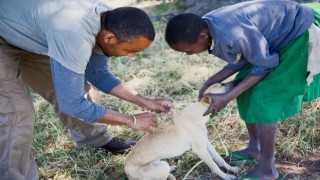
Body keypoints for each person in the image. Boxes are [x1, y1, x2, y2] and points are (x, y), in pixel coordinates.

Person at [0, 0, 173, 179]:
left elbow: (98, 74)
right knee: (16, 113)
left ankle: (95, 140)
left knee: (75, 86)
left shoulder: (106, 19)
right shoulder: (74, 34)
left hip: (28, 33)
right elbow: (73, 104)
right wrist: (131, 120)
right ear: (110, 38)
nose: (131, 56)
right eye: (130, 50)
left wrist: (145, 101)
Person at [165, 0, 320, 179]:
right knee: (243, 87)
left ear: (202, 36)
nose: (189, 55)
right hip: (270, 44)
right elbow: (243, 56)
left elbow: (264, 64)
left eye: (190, 51)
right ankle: (255, 148)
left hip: (295, 33)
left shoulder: (230, 33)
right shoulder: (209, 27)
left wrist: (227, 97)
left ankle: (267, 169)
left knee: (264, 99)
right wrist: (213, 79)